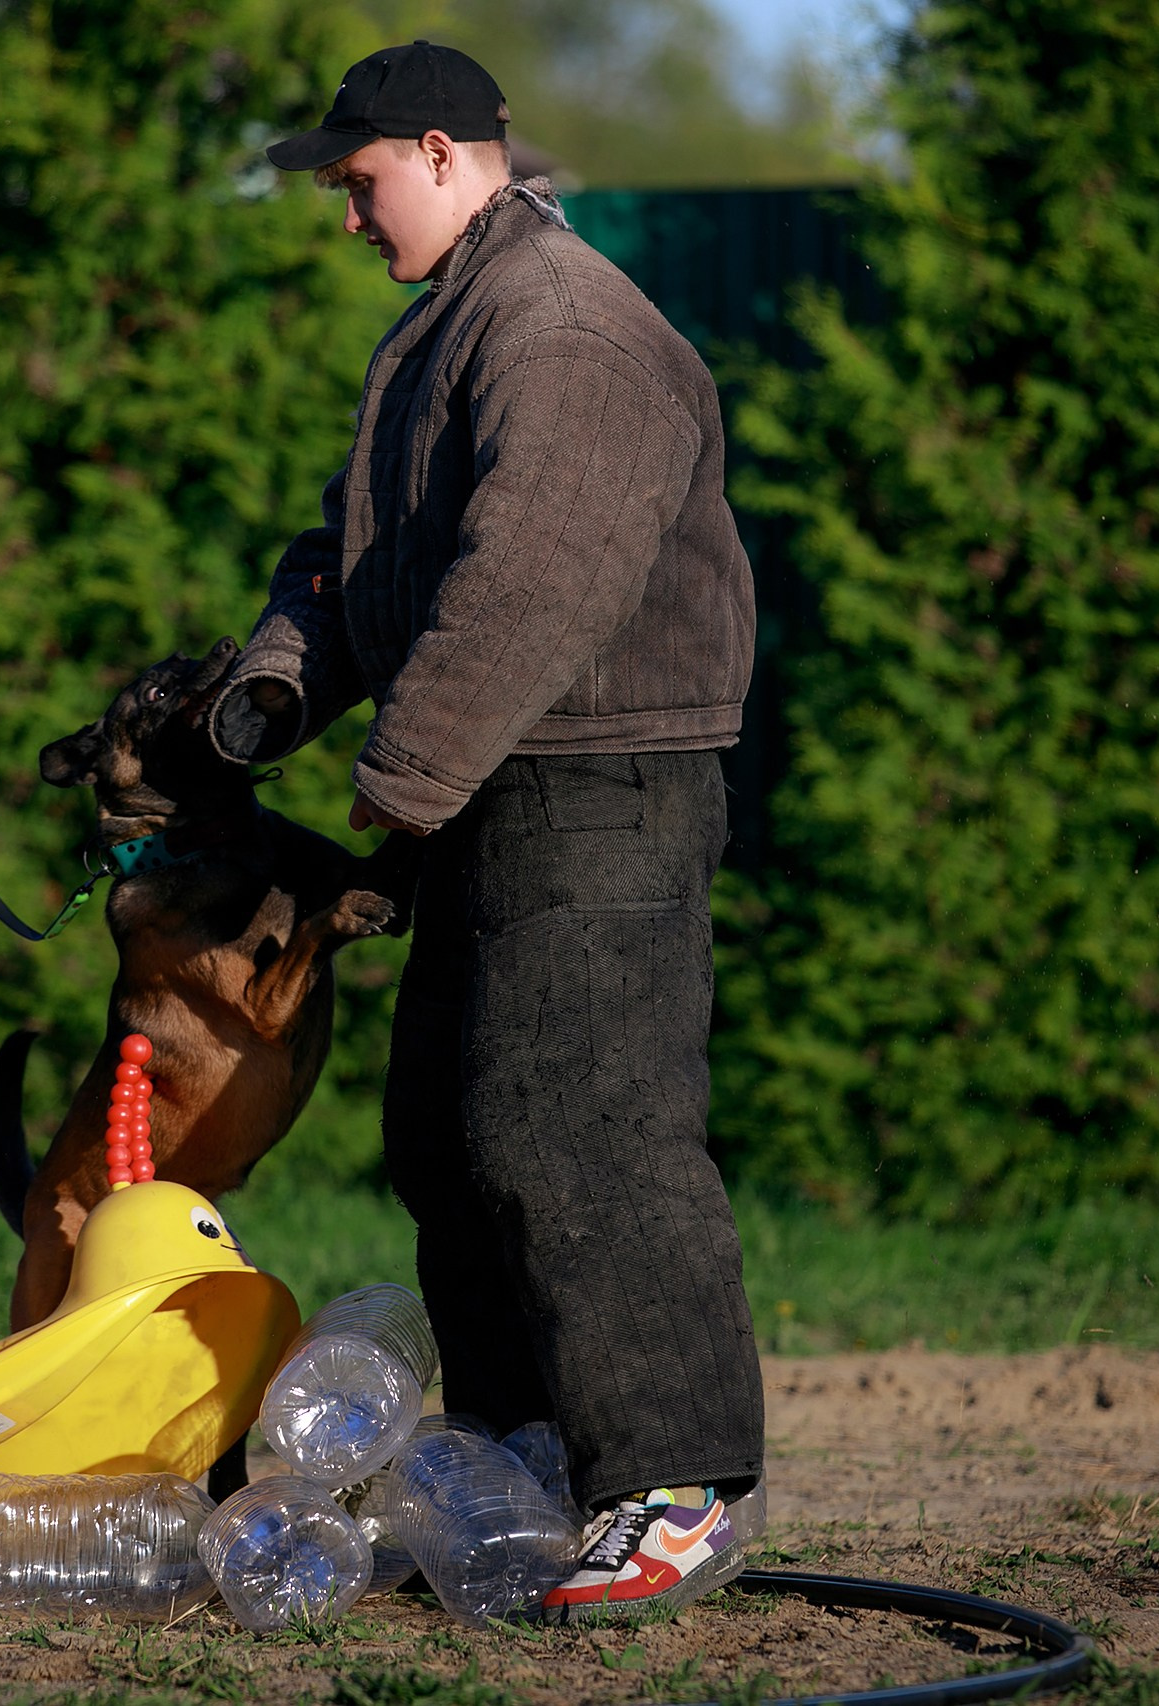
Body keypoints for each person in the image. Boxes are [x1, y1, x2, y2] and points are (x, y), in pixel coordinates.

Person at [209, 45, 767, 1623]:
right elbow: (348, 552)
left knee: (579, 1126)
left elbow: (532, 584)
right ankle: (534, 1458)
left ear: (443, 152)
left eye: (357, 181)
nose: (345, 216)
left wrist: (394, 780)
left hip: (602, 783)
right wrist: (265, 693)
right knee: (454, 1140)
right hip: (492, 786)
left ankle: (676, 1484)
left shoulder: (566, 326)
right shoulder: (448, 325)